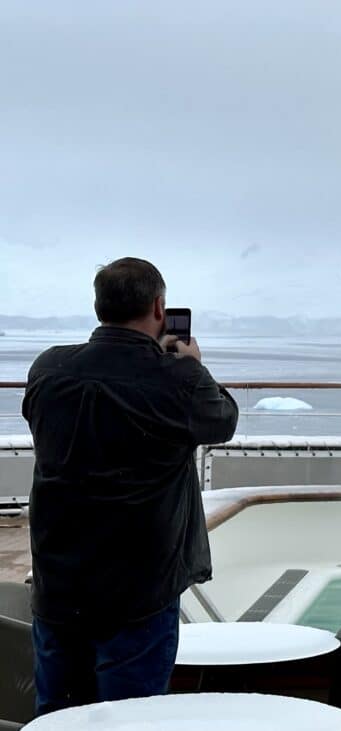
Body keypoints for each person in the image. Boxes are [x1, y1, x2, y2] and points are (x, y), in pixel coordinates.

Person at [21, 257, 238, 715]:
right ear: (159, 308)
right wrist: (193, 367)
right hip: (139, 593)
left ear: (99, 306)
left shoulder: (48, 368)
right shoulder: (175, 378)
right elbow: (222, 420)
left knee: (57, 720)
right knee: (132, 720)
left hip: (59, 585)